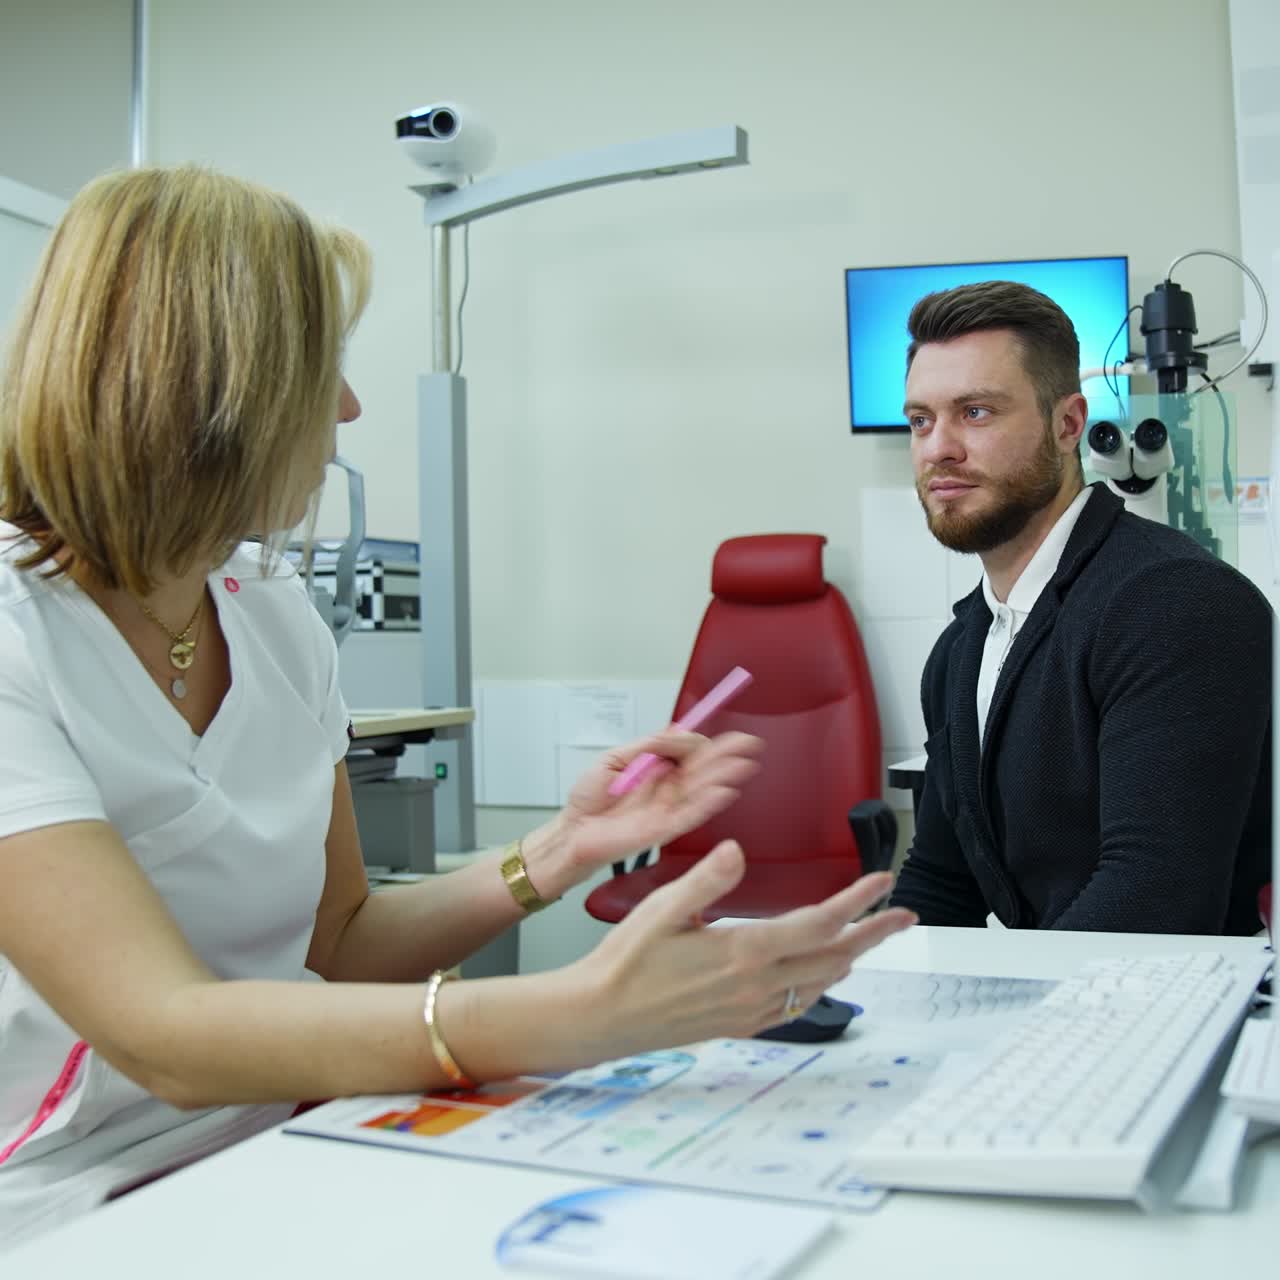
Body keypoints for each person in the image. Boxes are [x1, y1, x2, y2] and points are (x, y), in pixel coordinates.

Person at [0, 167, 916, 1247]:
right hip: (72, 1187)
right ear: (208, 388)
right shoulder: (20, 632)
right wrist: (572, 1014)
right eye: (322, 367)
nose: (346, 407)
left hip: (289, 1128)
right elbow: (163, 1035)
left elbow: (339, 941)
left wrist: (565, 847)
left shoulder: (276, 615)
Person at [888, 280, 1271, 935]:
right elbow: (942, 882)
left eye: (975, 412)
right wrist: (849, 985)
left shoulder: (1176, 605)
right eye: (921, 419)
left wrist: (1007, 1028)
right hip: (1057, 1009)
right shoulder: (962, 650)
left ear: (1068, 424)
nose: (937, 447)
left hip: (1171, 1020)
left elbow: (1153, 902)